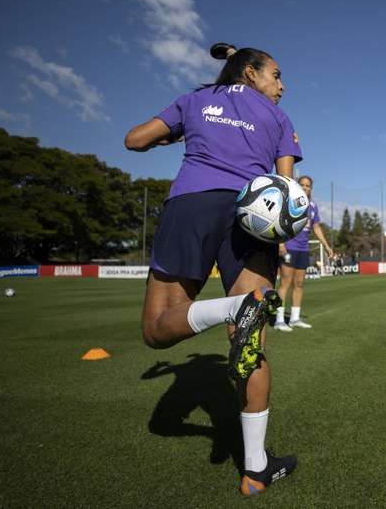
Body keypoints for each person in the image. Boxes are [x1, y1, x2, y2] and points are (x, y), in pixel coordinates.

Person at [124, 42, 300, 496]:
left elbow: (135, 139)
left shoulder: (194, 100)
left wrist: (176, 133)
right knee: (252, 346)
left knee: (156, 331)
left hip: (192, 205)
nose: (281, 85)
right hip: (251, 219)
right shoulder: (279, 119)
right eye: (276, 74)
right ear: (249, 72)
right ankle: (256, 470)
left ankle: (227, 308)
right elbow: (281, 186)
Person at [274, 175, 333, 331]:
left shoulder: (312, 206)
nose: (305, 188)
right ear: (297, 186)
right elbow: (279, 222)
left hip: (303, 249)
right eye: (303, 185)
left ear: (311, 188)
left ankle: (294, 319)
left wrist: (326, 245)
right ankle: (279, 320)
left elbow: (316, 227)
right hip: (289, 247)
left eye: (308, 186)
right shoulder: (289, 202)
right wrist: (280, 243)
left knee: (299, 284)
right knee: (285, 282)